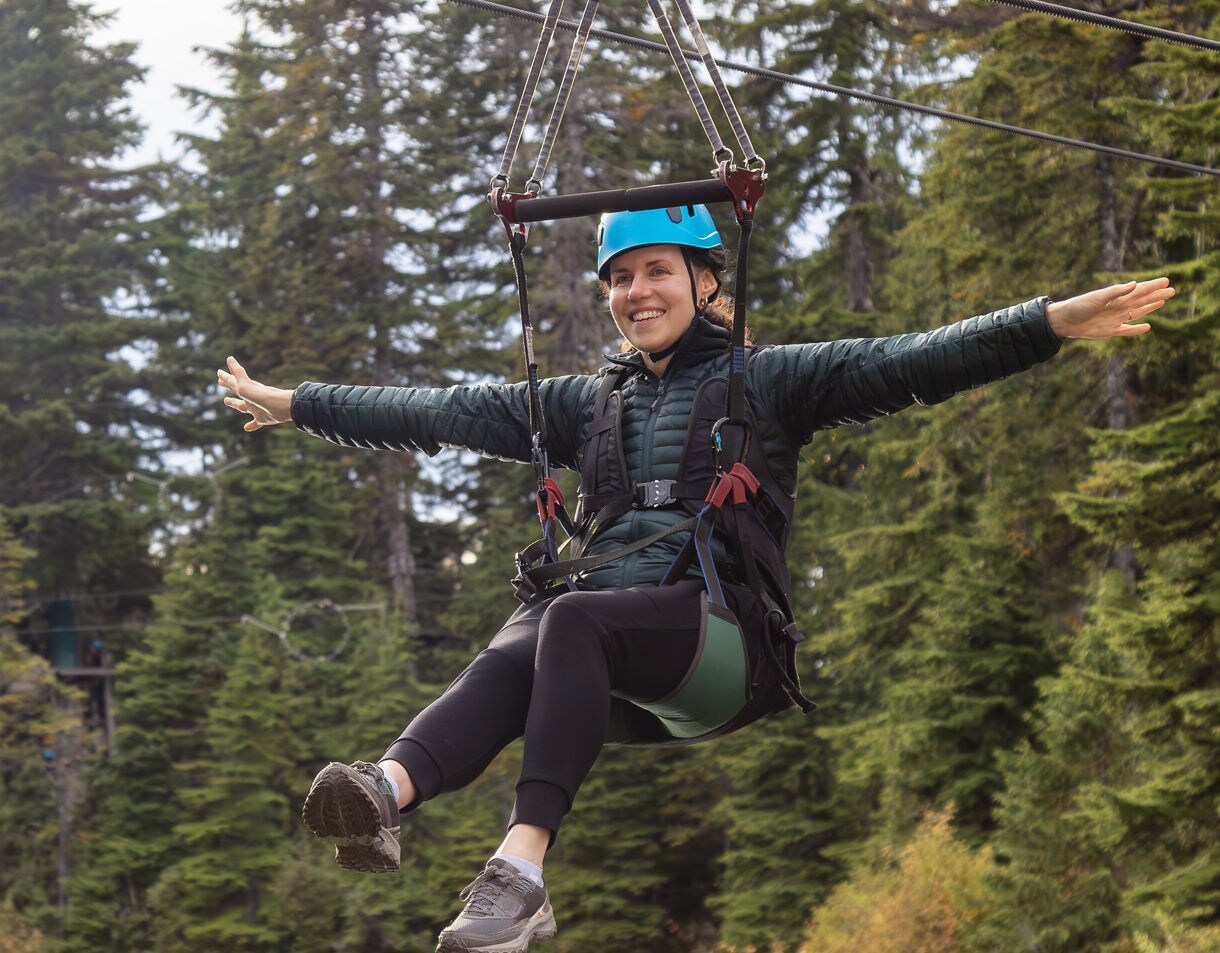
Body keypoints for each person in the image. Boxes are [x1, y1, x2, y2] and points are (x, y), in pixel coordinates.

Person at [217, 204, 1174, 953]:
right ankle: (383, 791)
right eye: (620, 279)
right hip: (621, 650)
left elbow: (915, 361)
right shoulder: (583, 403)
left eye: (657, 272)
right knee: (535, 625)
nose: (638, 293)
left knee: (568, 622)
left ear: (706, 280)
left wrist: (1048, 322)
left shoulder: (774, 380)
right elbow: (437, 411)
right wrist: (299, 404)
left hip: (728, 648)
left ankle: (521, 872)